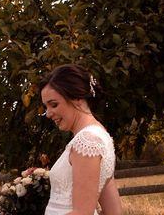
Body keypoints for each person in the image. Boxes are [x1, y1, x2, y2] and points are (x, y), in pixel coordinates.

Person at [40, 64, 123, 215]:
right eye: (46, 107)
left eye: (54, 105)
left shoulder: (87, 141)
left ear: (77, 98)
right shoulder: (99, 135)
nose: (48, 113)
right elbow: (114, 210)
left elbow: (82, 213)